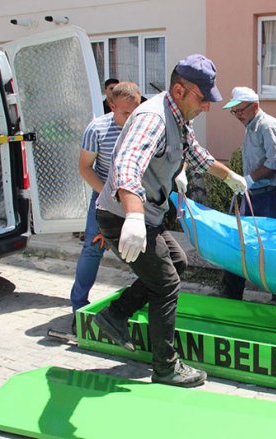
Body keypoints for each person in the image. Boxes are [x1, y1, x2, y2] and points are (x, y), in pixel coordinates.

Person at [93, 54, 248, 388]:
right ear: (179, 91)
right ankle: (165, 367)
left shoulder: (178, 118)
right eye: (202, 98)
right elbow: (127, 165)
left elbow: (197, 155)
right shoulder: (153, 119)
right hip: (124, 216)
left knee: (176, 263)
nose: (207, 107)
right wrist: (134, 216)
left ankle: (115, 314)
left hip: (147, 215)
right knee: (166, 283)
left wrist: (229, 176)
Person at [69, 82, 141, 330]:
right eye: (126, 113)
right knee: (92, 250)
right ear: (112, 106)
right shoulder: (97, 129)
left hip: (136, 199)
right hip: (103, 198)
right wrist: (109, 196)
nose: (132, 118)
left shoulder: (141, 126)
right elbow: (85, 168)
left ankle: (138, 307)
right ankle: (79, 309)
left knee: (146, 252)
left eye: (135, 111)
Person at [219, 86, 276, 300]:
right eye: (234, 112)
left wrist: (249, 179)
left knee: (269, 246)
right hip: (254, 194)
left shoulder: (267, 125)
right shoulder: (251, 126)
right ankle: (231, 295)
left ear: (255, 105)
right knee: (239, 244)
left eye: (240, 110)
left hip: (270, 195)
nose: (237, 115)